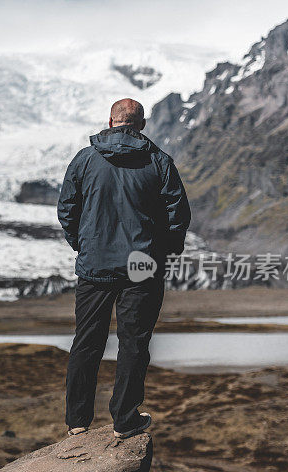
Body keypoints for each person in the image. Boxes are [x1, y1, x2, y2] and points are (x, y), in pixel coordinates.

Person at [57, 98, 191, 439]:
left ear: (110, 121)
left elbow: (67, 208)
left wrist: (84, 245)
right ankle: (125, 419)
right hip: (142, 268)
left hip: (94, 267)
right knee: (134, 343)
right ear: (142, 125)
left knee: (87, 342)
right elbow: (178, 214)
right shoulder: (159, 161)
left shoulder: (85, 159)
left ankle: (77, 422)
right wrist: (164, 253)